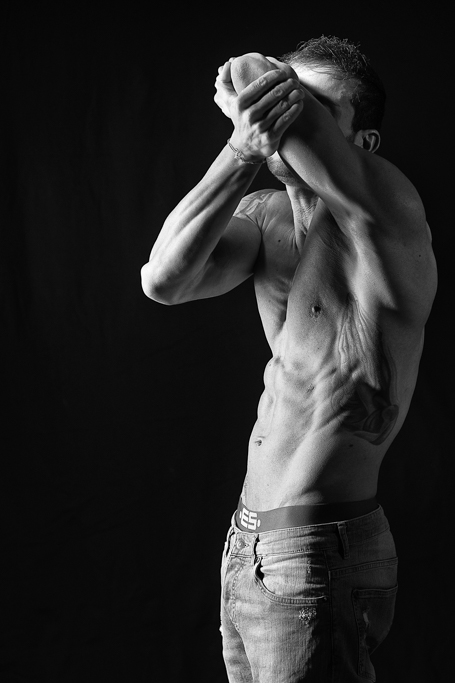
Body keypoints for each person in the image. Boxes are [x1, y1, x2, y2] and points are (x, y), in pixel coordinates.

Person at [141, 36, 437, 683]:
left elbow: (248, 71)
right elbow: (163, 280)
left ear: (362, 143)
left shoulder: (387, 211)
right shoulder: (265, 220)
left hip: (319, 547)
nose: (281, 109)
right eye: (283, 94)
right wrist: (241, 150)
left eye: (309, 103)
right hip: (246, 544)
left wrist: (254, 90)